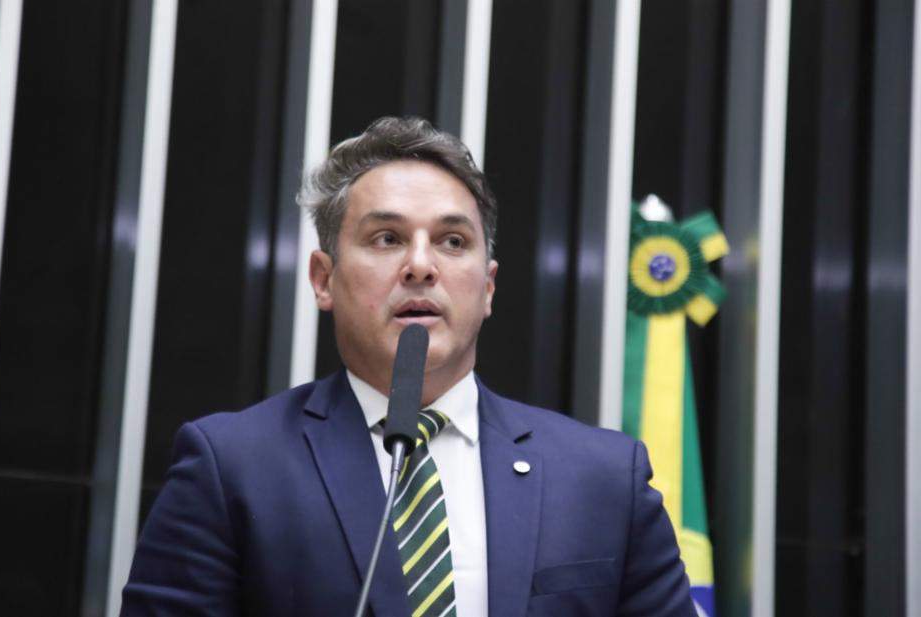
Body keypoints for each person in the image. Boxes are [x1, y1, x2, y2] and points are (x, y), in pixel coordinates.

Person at [121, 117, 695, 616]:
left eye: (452, 241)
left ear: (488, 287)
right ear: (323, 279)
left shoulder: (604, 479)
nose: (421, 266)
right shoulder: (231, 469)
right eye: (387, 238)